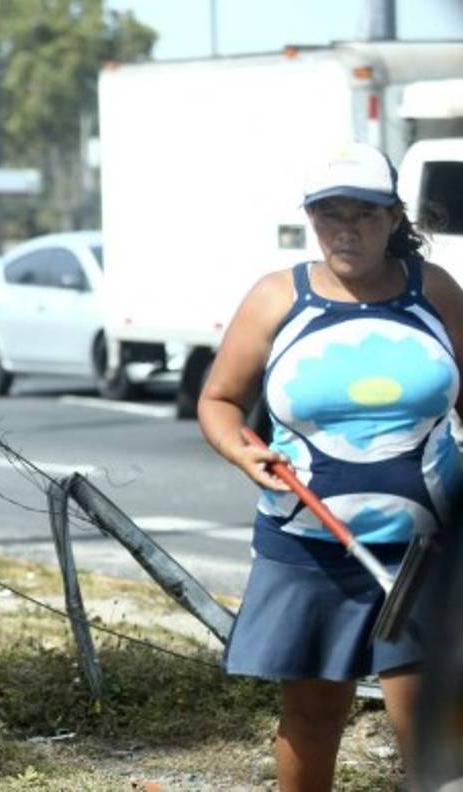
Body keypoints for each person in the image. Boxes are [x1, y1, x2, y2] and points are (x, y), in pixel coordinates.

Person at [198, 142, 463, 790]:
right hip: (308, 547)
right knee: (313, 715)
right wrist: (240, 448)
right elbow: (219, 400)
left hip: (428, 549)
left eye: (365, 214)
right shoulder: (274, 298)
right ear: (310, 218)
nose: (347, 229)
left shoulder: (434, 291)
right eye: (330, 214)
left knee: (430, 726)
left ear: (394, 217)